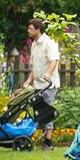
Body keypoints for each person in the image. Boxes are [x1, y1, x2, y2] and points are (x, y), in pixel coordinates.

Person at [20, 18, 61, 150]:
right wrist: (29, 80)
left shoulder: (49, 43)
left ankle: (48, 143)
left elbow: (54, 60)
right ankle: (43, 140)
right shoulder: (34, 44)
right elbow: (35, 66)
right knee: (38, 113)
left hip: (48, 85)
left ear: (38, 29)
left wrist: (48, 74)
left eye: (31, 29)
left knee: (47, 113)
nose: (28, 31)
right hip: (37, 85)